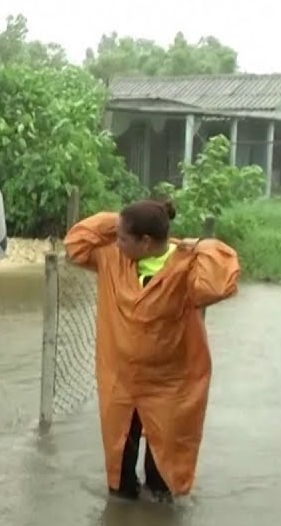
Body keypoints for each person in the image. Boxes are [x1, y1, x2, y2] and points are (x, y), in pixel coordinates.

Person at [64, 199, 239, 501]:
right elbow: (76, 243)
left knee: (164, 475)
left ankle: (157, 517)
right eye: (115, 236)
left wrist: (202, 246)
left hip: (170, 382)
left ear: (145, 242)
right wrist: (121, 220)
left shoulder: (186, 266)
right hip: (121, 377)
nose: (115, 243)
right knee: (120, 473)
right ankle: (125, 511)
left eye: (122, 238)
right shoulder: (112, 259)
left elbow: (215, 286)